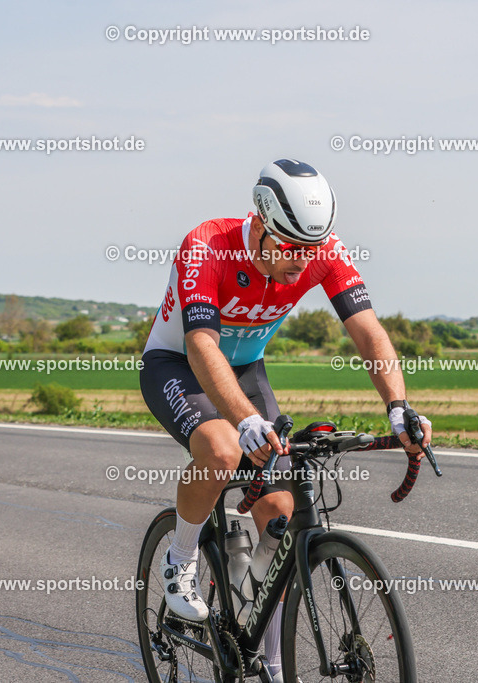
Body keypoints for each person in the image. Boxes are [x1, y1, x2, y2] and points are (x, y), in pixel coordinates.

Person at [139, 159, 432, 680]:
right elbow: (202, 343)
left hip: (244, 367)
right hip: (179, 365)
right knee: (225, 449)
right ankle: (180, 558)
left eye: (312, 249)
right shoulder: (208, 245)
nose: (304, 262)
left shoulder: (322, 252)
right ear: (260, 223)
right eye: (292, 248)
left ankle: (271, 659)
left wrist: (397, 406)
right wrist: (246, 420)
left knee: (278, 505)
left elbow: (369, 333)